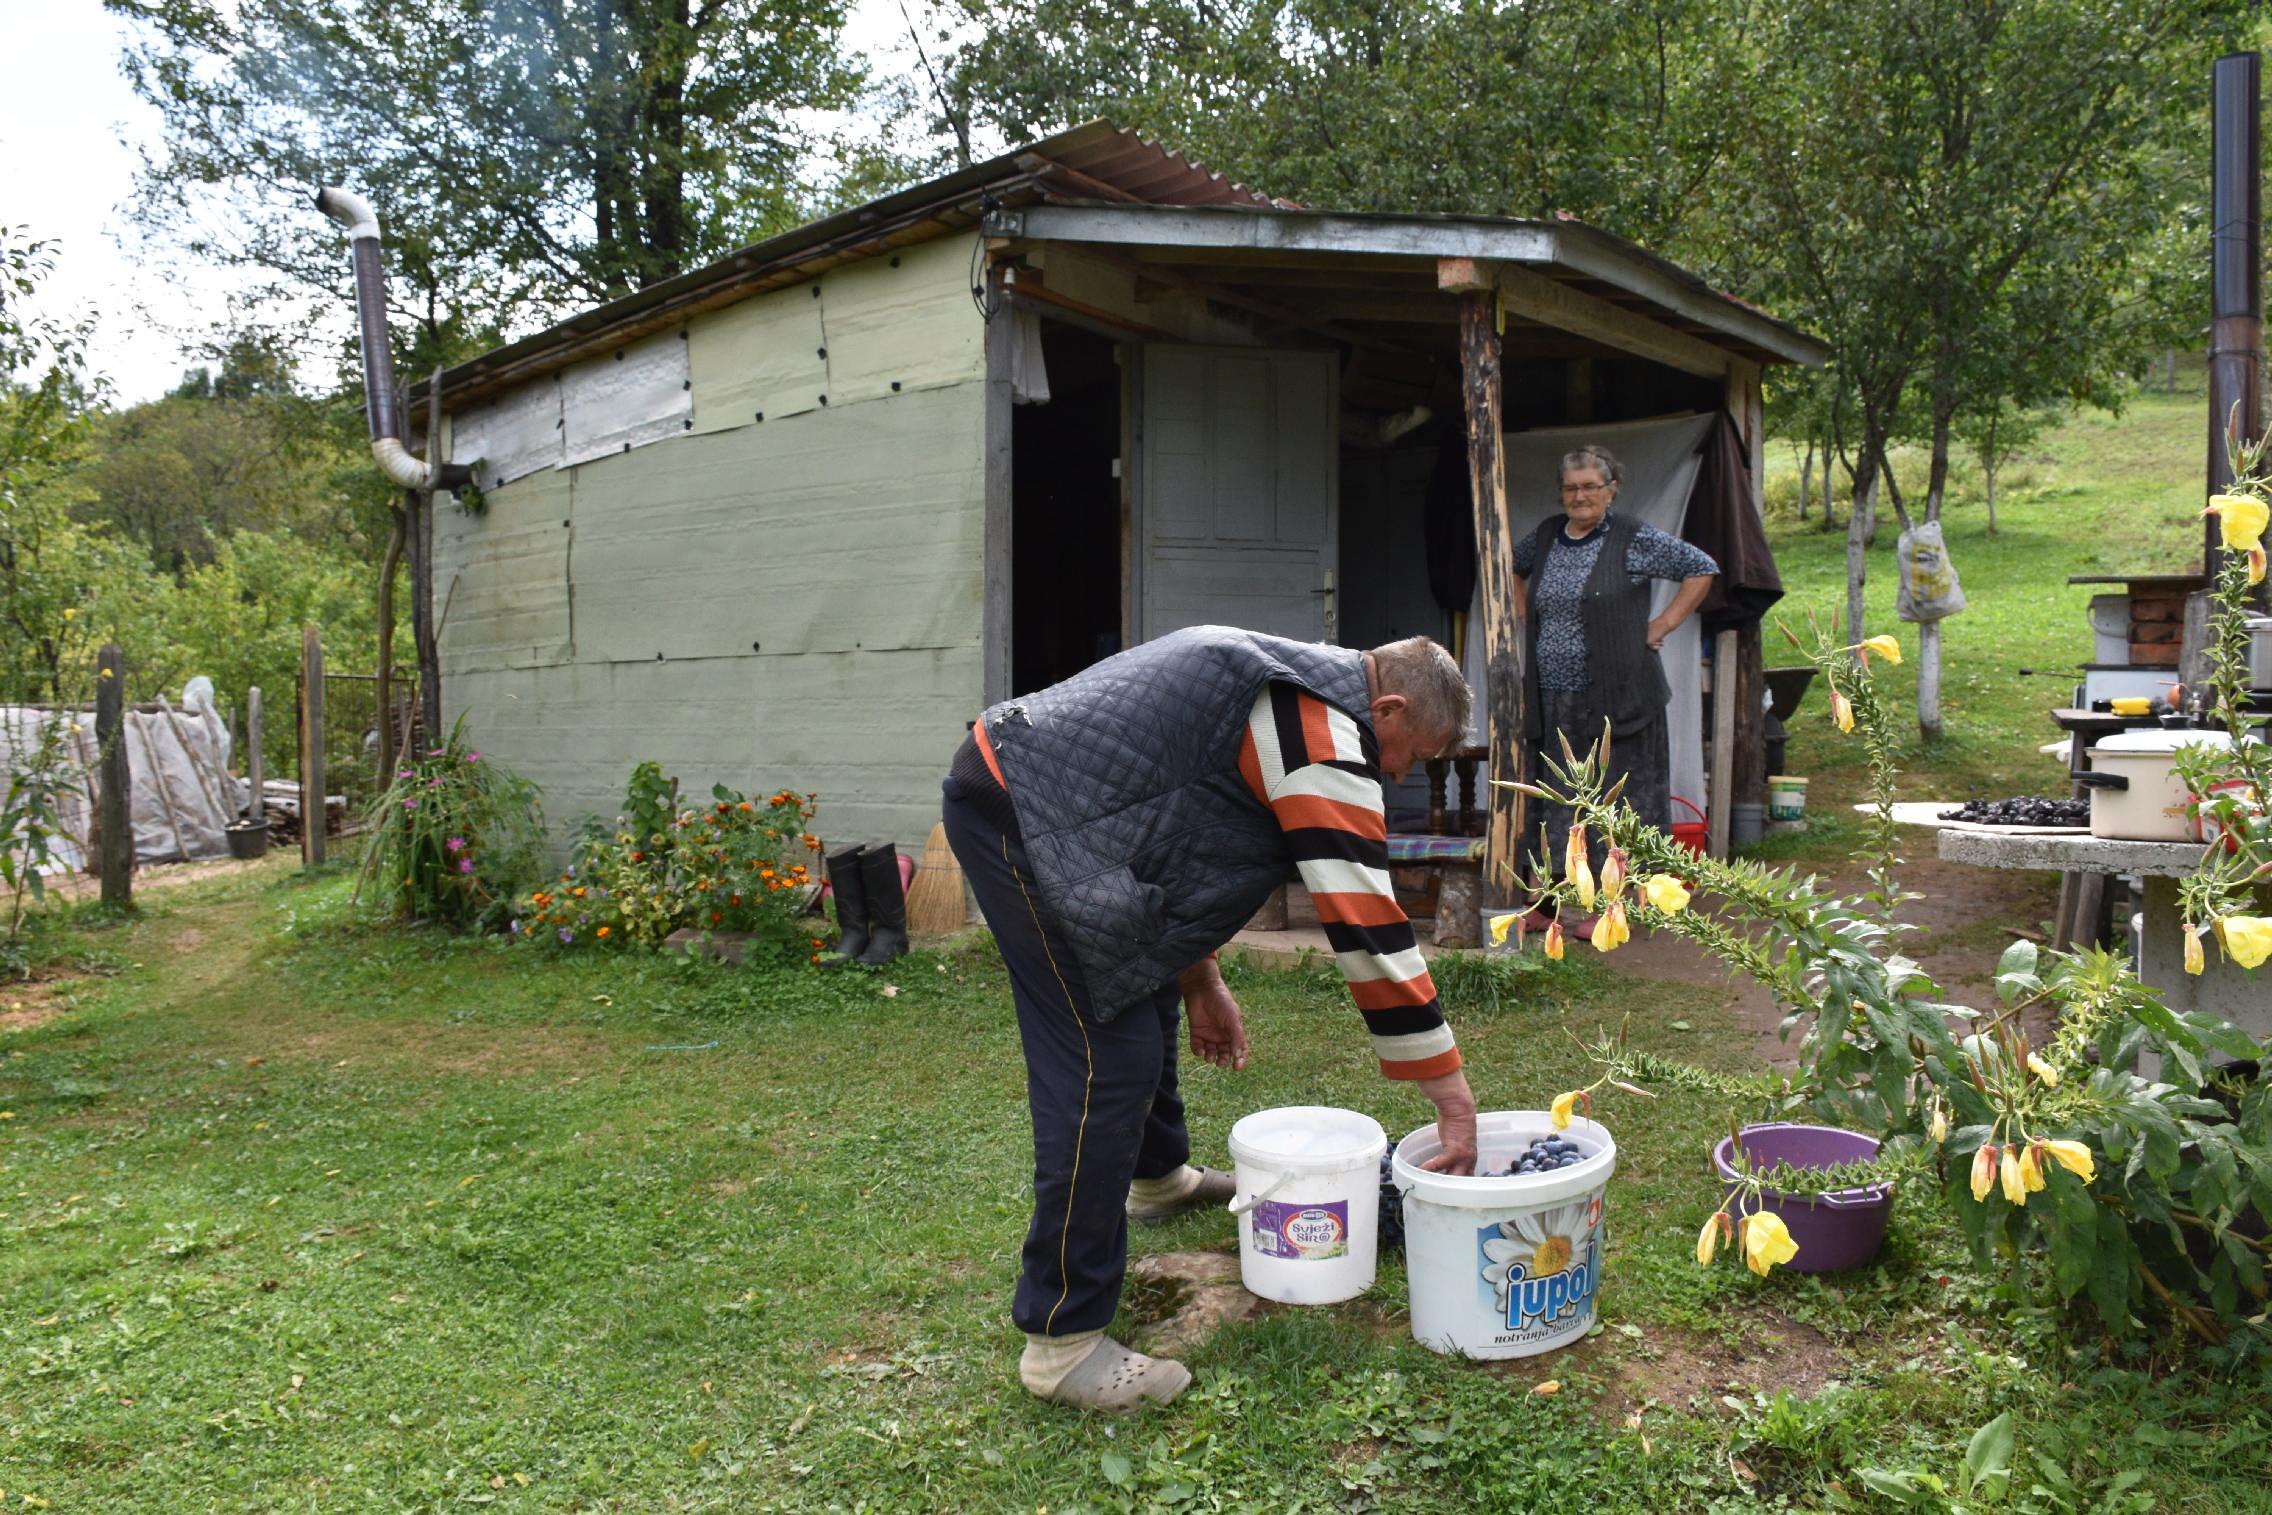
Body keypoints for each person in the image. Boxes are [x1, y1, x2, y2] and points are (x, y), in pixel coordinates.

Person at [941, 628, 1480, 1412]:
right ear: (1386, 706)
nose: (1397, 773)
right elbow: (1369, 926)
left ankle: (1158, 1179)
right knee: (1105, 1055)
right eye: (1410, 753)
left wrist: (1201, 978)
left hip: (1065, 820)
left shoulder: (1287, 684)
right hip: (1020, 813)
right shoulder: (1322, 732)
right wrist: (1453, 1097)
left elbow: (1165, 845)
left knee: (1137, 975)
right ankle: (1062, 1340)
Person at [1514, 445, 1718, 928]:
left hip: (1619, 701)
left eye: (1590, 486)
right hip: (1553, 701)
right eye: (1571, 487)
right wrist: (1526, 613)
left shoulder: (1632, 538)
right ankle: (1553, 903)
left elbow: (1701, 567)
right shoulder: (1545, 537)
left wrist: (1661, 624)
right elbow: (1515, 569)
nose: (1579, 496)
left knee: (1617, 804)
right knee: (1557, 802)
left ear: (1611, 489)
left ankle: (1614, 908)